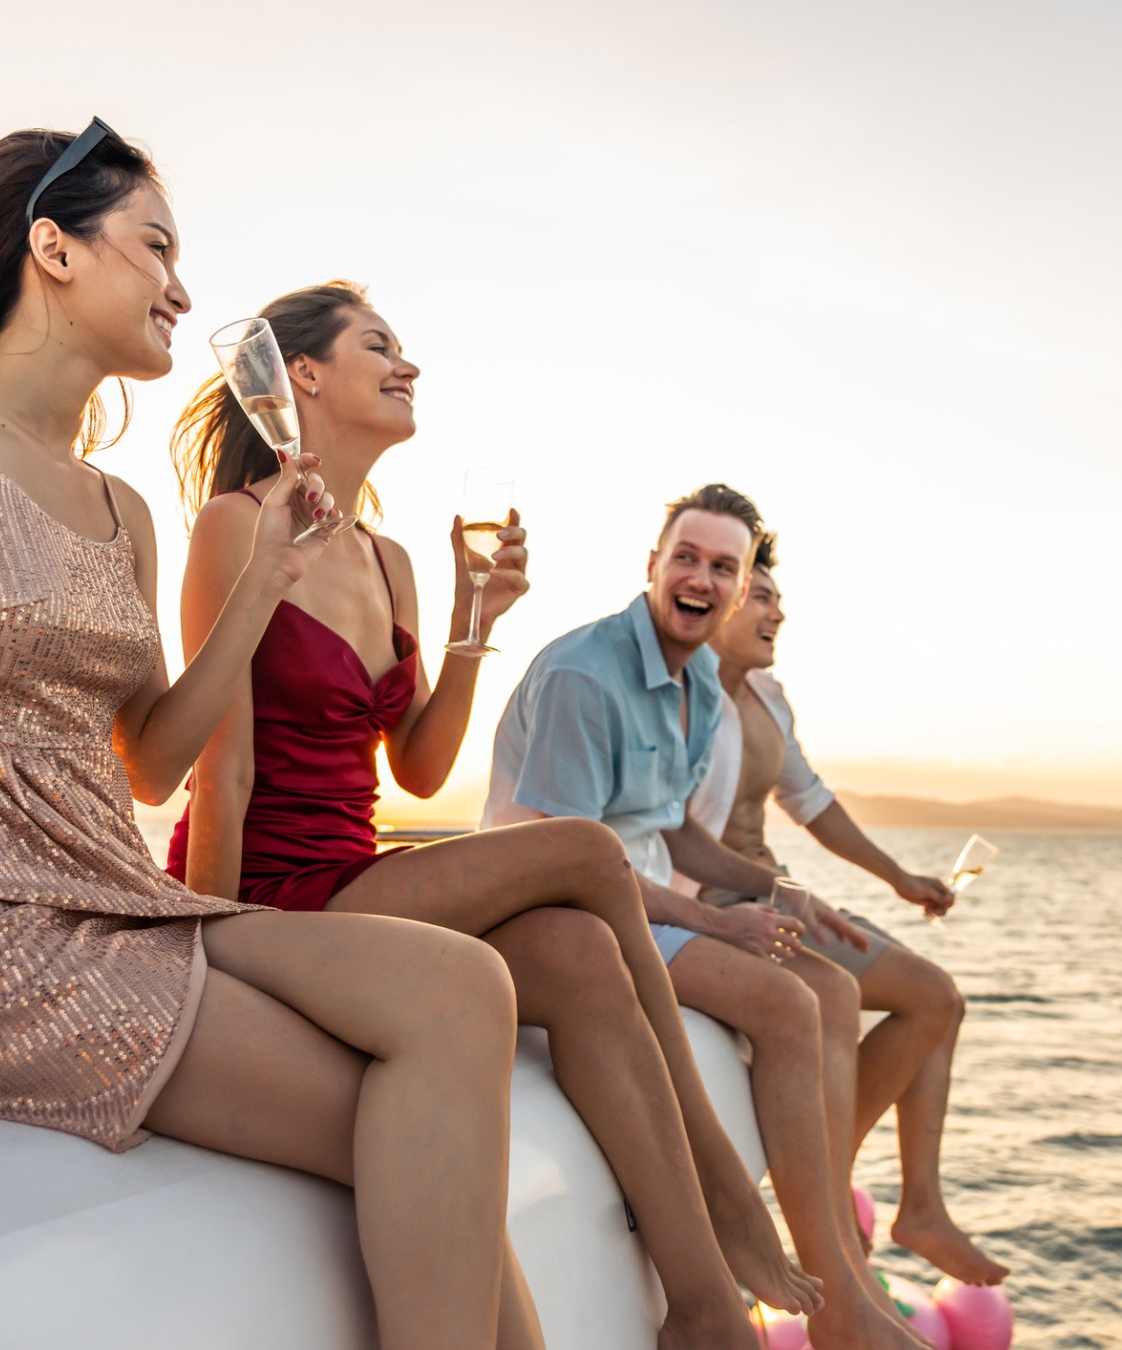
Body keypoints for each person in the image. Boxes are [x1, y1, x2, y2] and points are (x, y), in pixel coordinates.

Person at [0, 125, 537, 1350]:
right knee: (411, 1133)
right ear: (52, 248)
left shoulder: (126, 511)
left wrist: (265, 579)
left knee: (462, 987)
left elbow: (154, 762)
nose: (182, 286)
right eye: (156, 246)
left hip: (108, 903)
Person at [166, 280, 816, 1347]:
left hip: (355, 861)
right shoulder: (235, 530)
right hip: (269, 890)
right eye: (380, 345)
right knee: (589, 853)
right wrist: (202, 949)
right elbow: (218, 778)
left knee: (577, 952)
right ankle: (725, 1195)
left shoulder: (394, 560)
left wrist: (473, 625)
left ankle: (703, 1307)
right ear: (305, 377)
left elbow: (418, 769)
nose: (407, 364)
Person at [484, 485, 933, 1350]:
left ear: (736, 591)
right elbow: (571, 863)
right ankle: (835, 1304)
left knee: (831, 989)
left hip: (644, 899)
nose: (699, 577)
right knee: (785, 1003)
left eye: (722, 567)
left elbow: (672, 834)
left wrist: (775, 892)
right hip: (562, 911)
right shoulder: (587, 674)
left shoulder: (698, 690)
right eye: (685, 557)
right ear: (651, 566)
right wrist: (726, 926)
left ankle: (839, 1271)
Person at [679, 533, 1010, 1286]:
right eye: (761, 597)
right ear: (721, 603)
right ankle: (826, 1212)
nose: (776, 614)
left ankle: (916, 1207)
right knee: (840, 996)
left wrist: (900, 877)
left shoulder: (767, 698)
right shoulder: (677, 692)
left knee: (935, 999)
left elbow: (813, 804)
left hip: (775, 889)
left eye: (776, 599)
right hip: (715, 904)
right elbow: (666, 829)